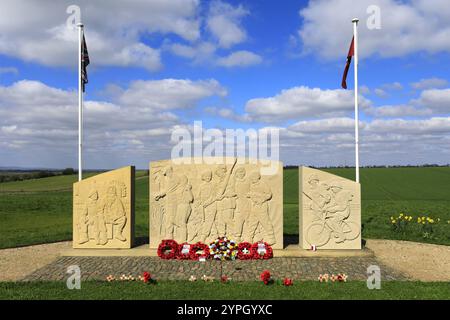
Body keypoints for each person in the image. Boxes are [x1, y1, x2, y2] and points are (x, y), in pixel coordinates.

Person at [245, 171, 276, 245]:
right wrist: (250, 195)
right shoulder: (252, 185)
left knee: (265, 222)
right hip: (254, 206)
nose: (251, 179)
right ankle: (249, 239)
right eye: (251, 178)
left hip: (262, 206)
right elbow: (251, 193)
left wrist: (261, 199)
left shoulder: (263, 184)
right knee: (252, 222)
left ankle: (272, 238)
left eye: (252, 178)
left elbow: (269, 194)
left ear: (257, 178)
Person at [233, 167, 250, 242]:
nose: (241, 174)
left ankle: (250, 236)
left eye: (242, 172)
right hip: (238, 203)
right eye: (239, 172)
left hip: (247, 203)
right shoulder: (234, 182)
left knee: (248, 219)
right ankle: (237, 236)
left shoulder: (248, 182)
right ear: (236, 174)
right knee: (238, 220)